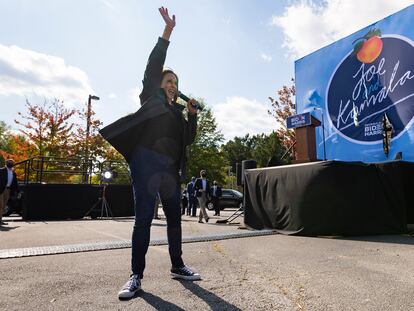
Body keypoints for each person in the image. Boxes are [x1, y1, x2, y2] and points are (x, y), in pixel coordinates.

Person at [99, 7, 201, 299]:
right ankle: (135, 276)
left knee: (174, 218)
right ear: (159, 85)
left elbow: (188, 140)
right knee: (143, 218)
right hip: (145, 162)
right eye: (168, 81)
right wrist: (167, 32)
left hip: (170, 168)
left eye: (176, 83)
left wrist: (192, 115)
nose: (172, 85)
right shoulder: (150, 98)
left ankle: (178, 265)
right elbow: (154, 64)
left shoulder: (179, 114)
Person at [0, 159, 19, 225]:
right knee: (1, 205)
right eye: (9, 162)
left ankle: (0, 220)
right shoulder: (1, 170)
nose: (10, 163)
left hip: (8, 190)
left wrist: (18, 191)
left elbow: (15, 183)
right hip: (1, 189)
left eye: (12, 162)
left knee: (4, 206)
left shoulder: (13, 173)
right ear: (6, 163)